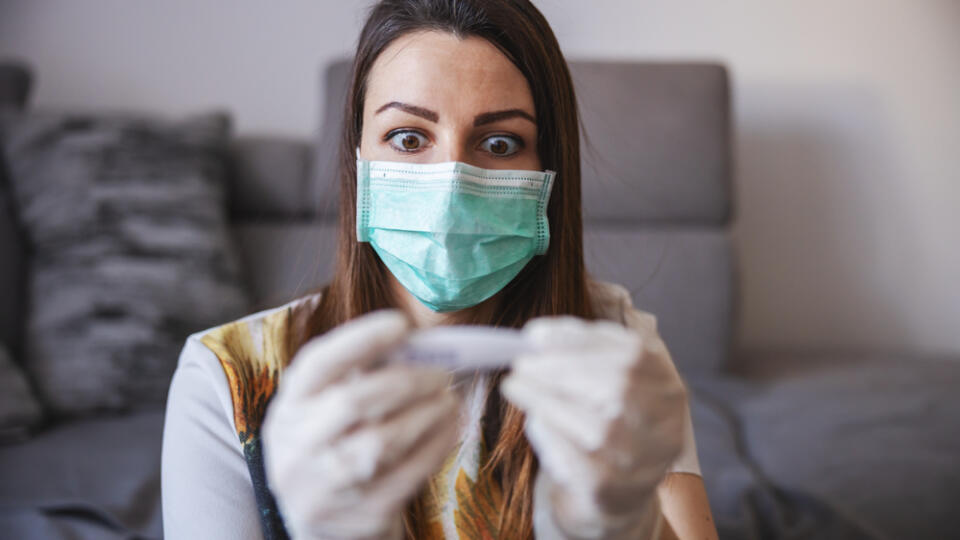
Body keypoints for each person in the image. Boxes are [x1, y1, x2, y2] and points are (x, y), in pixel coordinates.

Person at [161, 0, 719, 538]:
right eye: (408, 138)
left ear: (550, 174)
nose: (453, 183)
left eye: (499, 143)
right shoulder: (224, 380)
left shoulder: (612, 350)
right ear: (358, 163)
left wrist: (628, 530)